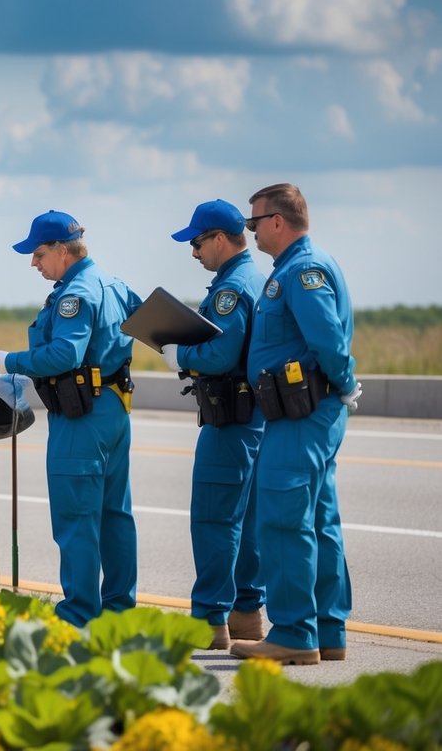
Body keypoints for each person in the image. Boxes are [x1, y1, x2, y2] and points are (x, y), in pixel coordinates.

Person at [0, 210, 141, 626]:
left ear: (61, 250)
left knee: (76, 517)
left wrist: (9, 360)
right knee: (115, 513)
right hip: (113, 406)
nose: (34, 263)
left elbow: (65, 354)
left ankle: (78, 612)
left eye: (38, 254)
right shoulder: (113, 283)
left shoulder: (75, 293)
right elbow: (149, 324)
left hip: (82, 414)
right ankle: (119, 609)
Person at [230, 183, 359, 665]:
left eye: (254, 223)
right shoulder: (303, 264)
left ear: (277, 222)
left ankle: (293, 634)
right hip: (310, 412)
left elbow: (327, 340)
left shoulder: (300, 270)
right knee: (320, 520)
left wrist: (343, 382)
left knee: (283, 520)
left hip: (302, 413)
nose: (252, 232)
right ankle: (328, 630)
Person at [161, 200, 267, 650]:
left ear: (221, 239)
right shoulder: (257, 278)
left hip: (231, 416)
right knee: (248, 520)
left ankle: (208, 618)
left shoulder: (232, 288)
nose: (194, 252)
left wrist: (178, 355)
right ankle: (246, 613)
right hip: (257, 415)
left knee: (214, 518)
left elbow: (221, 354)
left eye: (198, 242)